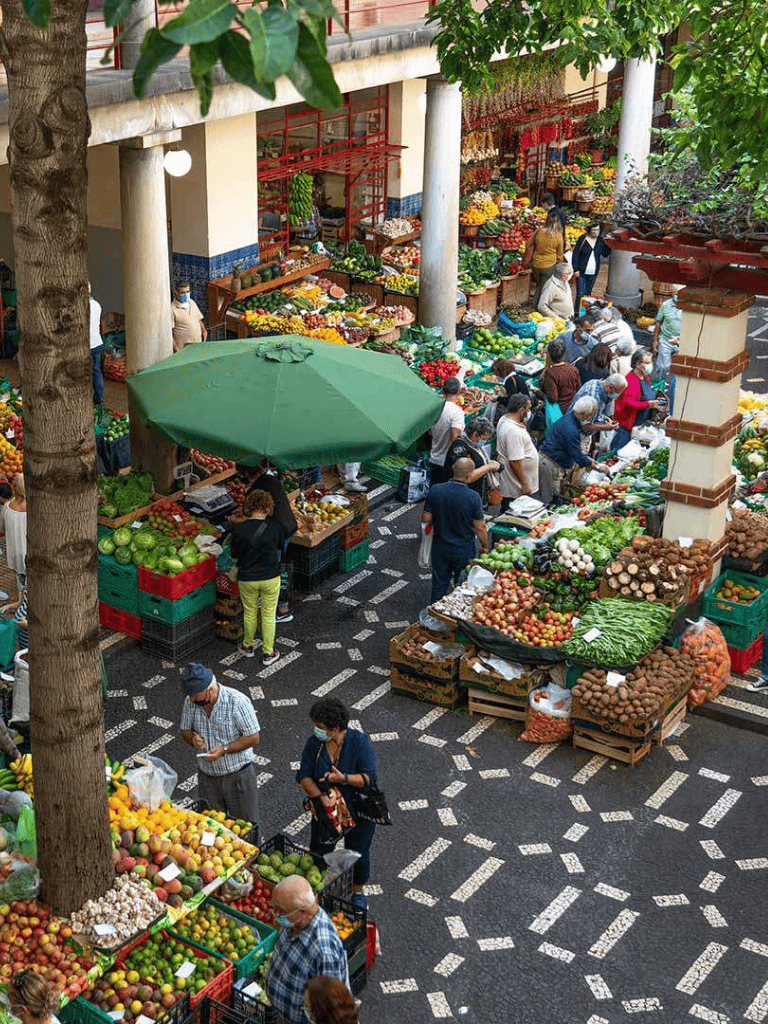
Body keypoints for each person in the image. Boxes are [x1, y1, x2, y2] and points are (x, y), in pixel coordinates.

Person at [298, 697, 377, 910]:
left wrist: (342, 779)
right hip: (326, 811)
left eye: (320, 726)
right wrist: (320, 797)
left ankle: (357, 891)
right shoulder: (314, 744)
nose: (316, 730)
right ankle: (320, 889)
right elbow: (304, 775)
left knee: (359, 851)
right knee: (320, 849)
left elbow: (368, 778)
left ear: (334, 728)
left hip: (358, 810)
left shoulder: (359, 742)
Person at [179, 662, 261, 824]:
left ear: (210, 689)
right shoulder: (191, 702)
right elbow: (185, 731)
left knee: (246, 827)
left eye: (195, 695)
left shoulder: (237, 702)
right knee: (212, 827)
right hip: (207, 777)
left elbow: (253, 737)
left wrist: (224, 749)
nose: (191, 698)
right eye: (189, 695)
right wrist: (192, 738)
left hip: (238, 776)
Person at [265, 875, 349, 1024]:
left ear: (303, 912)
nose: (276, 915)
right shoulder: (294, 919)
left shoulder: (324, 951)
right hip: (283, 1015)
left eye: (281, 911)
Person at [229, 489, 285, 664]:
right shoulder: (276, 527)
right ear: (268, 506)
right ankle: (268, 653)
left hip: (247, 578)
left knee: (250, 612)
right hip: (270, 577)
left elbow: (234, 554)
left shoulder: (239, 529)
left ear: (248, 506)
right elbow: (280, 548)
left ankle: (247, 646)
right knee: (268, 615)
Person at [238, 461, 298, 624]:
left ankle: (276, 611)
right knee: (282, 566)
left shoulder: (257, 489)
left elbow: (256, 517)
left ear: (247, 474)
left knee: (275, 569)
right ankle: (283, 607)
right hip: (289, 526)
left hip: (277, 532)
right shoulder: (271, 480)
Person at [421, 458, 487, 602]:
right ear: (469, 476)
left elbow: (426, 517)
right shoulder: (473, 497)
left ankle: (435, 616)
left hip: (440, 548)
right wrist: (484, 545)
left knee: (439, 585)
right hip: (464, 549)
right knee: (464, 584)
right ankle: (457, 616)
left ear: (452, 468)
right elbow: (480, 527)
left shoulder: (436, 489)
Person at [538, 397, 602, 503]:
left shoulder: (569, 419)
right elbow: (578, 456)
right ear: (582, 414)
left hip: (551, 461)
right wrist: (597, 466)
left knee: (551, 494)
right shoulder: (571, 429)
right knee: (549, 499)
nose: (590, 419)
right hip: (550, 465)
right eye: (589, 416)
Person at [611, 349, 661, 451]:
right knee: (619, 451)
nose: (650, 365)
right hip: (627, 425)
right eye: (647, 363)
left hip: (640, 425)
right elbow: (629, 402)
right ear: (638, 364)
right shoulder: (630, 380)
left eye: (651, 362)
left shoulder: (645, 377)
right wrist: (648, 404)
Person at [496, 394, 539, 508]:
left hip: (513, 483)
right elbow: (515, 461)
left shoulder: (504, 419)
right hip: (516, 487)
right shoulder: (513, 431)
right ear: (521, 411)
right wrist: (525, 484)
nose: (529, 412)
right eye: (528, 409)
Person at [445, 418, 501, 505]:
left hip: (477, 493)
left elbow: (478, 462)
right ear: (475, 434)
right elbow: (466, 477)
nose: (484, 441)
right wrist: (488, 467)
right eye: (483, 438)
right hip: (463, 498)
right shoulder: (460, 448)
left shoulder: (473, 444)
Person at [427, 377, 465, 486]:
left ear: (443, 391)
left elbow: (430, 432)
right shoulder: (457, 412)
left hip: (434, 457)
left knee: (434, 489)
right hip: (447, 462)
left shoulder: (436, 407)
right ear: (459, 391)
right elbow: (455, 437)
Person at [524, 210, 564, 306]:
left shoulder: (539, 232)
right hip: (549, 266)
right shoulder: (558, 236)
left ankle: (535, 305)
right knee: (545, 288)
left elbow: (528, 244)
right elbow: (560, 255)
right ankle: (540, 307)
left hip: (536, 265)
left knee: (539, 286)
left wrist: (535, 232)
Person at [0, 475, 27, 600]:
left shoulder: (6, 507)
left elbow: (2, 529)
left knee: (20, 582)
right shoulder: (34, 510)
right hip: (30, 554)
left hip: (14, 554)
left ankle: (21, 602)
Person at [571, 223, 611, 304]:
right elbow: (575, 255)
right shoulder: (583, 239)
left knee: (588, 293)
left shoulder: (600, 241)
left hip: (593, 272)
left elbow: (605, 253)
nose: (596, 232)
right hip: (581, 272)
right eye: (594, 230)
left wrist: (608, 243)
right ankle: (577, 313)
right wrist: (576, 269)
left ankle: (584, 312)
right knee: (580, 294)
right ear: (589, 230)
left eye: (597, 230)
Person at [540, 338, 581, 416]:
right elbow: (578, 387)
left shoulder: (550, 373)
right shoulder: (572, 368)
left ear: (549, 355)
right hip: (573, 408)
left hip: (559, 412)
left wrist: (536, 391)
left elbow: (553, 398)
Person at [654, 284, 683, 379]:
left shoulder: (688, 307)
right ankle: (659, 386)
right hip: (666, 339)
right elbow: (658, 322)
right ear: (672, 293)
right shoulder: (666, 305)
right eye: (677, 294)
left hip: (682, 341)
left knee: (679, 368)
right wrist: (655, 340)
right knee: (663, 366)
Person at [171, 279, 207, 352]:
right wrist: (175, 347)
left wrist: (204, 330)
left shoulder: (192, 302)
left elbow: (198, 319)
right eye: (183, 293)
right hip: (183, 350)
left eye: (187, 292)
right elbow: (169, 332)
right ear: (177, 293)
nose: (186, 294)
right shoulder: (172, 309)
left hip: (197, 345)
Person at [89, 283, 104, 406]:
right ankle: (98, 397)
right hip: (97, 342)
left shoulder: (82, 307)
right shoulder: (97, 305)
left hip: (86, 345)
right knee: (96, 371)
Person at [1, 586, 28, 652]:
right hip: (23, 638)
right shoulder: (29, 583)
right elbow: (22, 602)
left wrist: (28, 625)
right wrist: (9, 607)